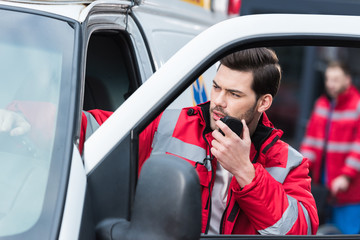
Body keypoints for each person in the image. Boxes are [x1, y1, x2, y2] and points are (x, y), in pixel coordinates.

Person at [0, 48, 319, 235]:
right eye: (217, 87)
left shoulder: (288, 162)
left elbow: (299, 229)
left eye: (234, 94)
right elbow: (95, 126)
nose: (218, 101)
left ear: (263, 103)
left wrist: (246, 172)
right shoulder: (170, 123)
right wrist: (24, 117)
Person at [300, 61, 360, 234]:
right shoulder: (322, 104)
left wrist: (346, 176)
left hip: (350, 189)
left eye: (336, 80)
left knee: (348, 233)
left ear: (348, 80)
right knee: (325, 232)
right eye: (328, 80)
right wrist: (302, 167)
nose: (330, 84)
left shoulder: (357, 105)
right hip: (324, 187)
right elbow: (310, 141)